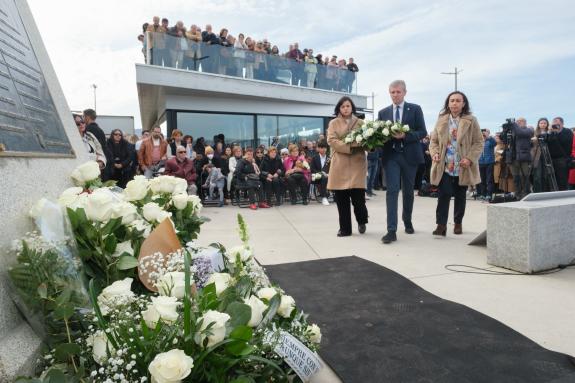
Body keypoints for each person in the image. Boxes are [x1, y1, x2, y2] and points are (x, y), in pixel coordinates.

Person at [377, 80, 427, 244]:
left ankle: (407, 220)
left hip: (410, 156)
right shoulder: (383, 112)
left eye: (398, 92)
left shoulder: (415, 109)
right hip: (391, 157)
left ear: (405, 92)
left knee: (408, 192)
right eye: (392, 92)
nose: (395, 95)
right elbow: (379, 136)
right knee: (391, 191)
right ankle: (391, 230)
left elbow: (422, 132)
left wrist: (405, 135)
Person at [429, 91, 483, 236]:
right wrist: (434, 153)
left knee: (460, 196)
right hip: (444, 165)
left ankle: (458, 223)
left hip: (463, 166)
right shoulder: (441, 119)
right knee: (444, 194)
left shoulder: (471, 120)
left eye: (458, 100)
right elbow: (433, 141)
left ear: (463, 103)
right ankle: (441, 225)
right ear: (448, 103)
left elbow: (479, 142)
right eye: (452, 100)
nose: (454, 103)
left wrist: (470, 158)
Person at [327, 96, 368, 236]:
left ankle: (362, 220)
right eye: (343, 106)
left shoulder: (361, 122)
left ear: (352, 107)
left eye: (348, 106)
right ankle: (345, 229)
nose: (345, 108)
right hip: (340, 165)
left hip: (357, 165)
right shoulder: (333, 123)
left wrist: (367, 145)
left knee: (359, 201)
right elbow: (332, 140)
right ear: (339, 108)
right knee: (342, 200)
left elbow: (368, 140)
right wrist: (351, 146)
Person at [507, 117, 534, 200]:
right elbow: (503, 139)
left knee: (524, 177)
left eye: (520, 121)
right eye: (517, 122)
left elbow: (520, 133)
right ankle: (517, 194)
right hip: (513, 158)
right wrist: (506, 129)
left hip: (524, 157)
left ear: (525, 122)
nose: (518, 123)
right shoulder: (513, 131)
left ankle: (526, 194)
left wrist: (514, 125)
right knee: (516, 178)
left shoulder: (528, 130)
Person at [83, 108, 113, 181]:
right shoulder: (99, 129)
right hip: (105, 159)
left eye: (83, 116)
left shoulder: (89, 129)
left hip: (99, 161)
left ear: (87, 117)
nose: (82, 119)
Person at [546, 117, 573, 191]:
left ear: (562, 123)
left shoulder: (567, 131)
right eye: (553, 121)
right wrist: (549, 131)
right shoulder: (551, 132)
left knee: (562, 180)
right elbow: (547, 142)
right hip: (551, 159)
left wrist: (556, 133)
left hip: (563, 159)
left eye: (557, 121)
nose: (555, 123)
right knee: (553, 180)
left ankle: (563, 196)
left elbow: (565, 142)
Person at [531, 118, 549, 193]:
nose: (543, 124)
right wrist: (534, 139)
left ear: (547, 124)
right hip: (536, 156)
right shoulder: (534, 132)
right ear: (538, 124)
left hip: (547, 155)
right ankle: (537, 192)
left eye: (544, 123)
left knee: (545, 175)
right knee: (537, 176)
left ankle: (545, 192)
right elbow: (530, 143)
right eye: (541, 123)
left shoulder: (549, 132)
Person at [477, 129, 496, 201]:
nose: (483, 134)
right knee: (482, 179)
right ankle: (483, 194)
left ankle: (489, 194)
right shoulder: (479, 141)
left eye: (485, 133)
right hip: (480, 162)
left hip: (489, 162)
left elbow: (495, 143)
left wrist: (488, 137)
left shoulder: (490, 141)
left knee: (489, 179)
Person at [311, 140, 331, 205]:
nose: (323, 149)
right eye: (322, 148)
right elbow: (312, 169)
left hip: (328, 176)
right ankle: (324, 197)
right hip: (315, 176)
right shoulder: (314, 158)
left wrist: (328, 174)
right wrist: (321, 173)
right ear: (318, 148)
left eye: (325, 148)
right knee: (324, 178)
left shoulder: (329, 158)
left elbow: (332, 168)